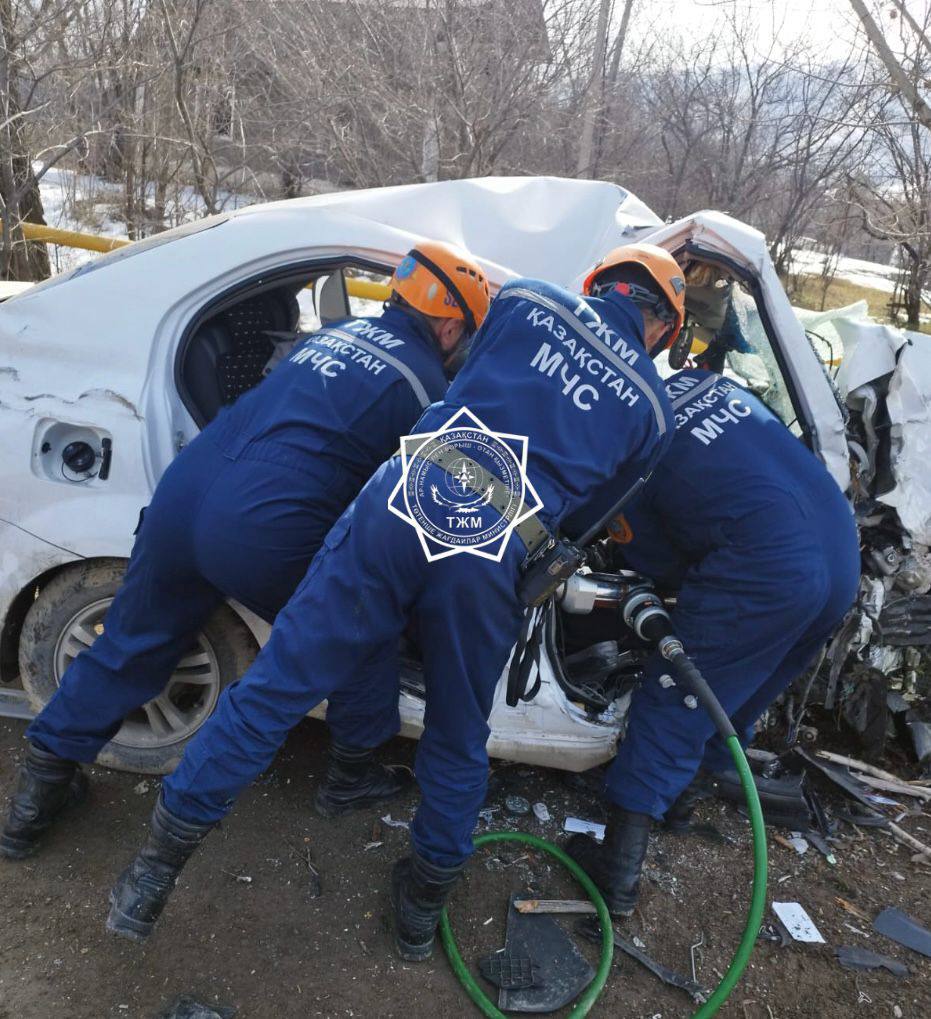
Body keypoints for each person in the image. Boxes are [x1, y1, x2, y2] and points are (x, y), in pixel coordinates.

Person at [101, 244, 687, 957]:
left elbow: (464, 381)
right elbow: (587, 520)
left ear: (598, 283)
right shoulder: (654, 411)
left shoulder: (528, 298)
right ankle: (417, 917)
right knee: (457, 729)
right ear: (662, 327)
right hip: (496, 540)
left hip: (408, 492)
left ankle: (147, 879)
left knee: (275, 689)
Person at [1, 241, 490, 860]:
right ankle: (351, 775)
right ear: (450, 326)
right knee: (362, 621)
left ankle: (31, 805)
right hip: (264, 523)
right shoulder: (424, 383)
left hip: (186, 489)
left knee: (131, 637)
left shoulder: (330, 337)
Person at [567, 368, 861, 916]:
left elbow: (656, 563)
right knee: (739, 692)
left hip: (769, 566)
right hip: (840, 550)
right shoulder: (705, 382)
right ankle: (680, 801)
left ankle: (615, 877)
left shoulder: (628, 440)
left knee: (675, 695)